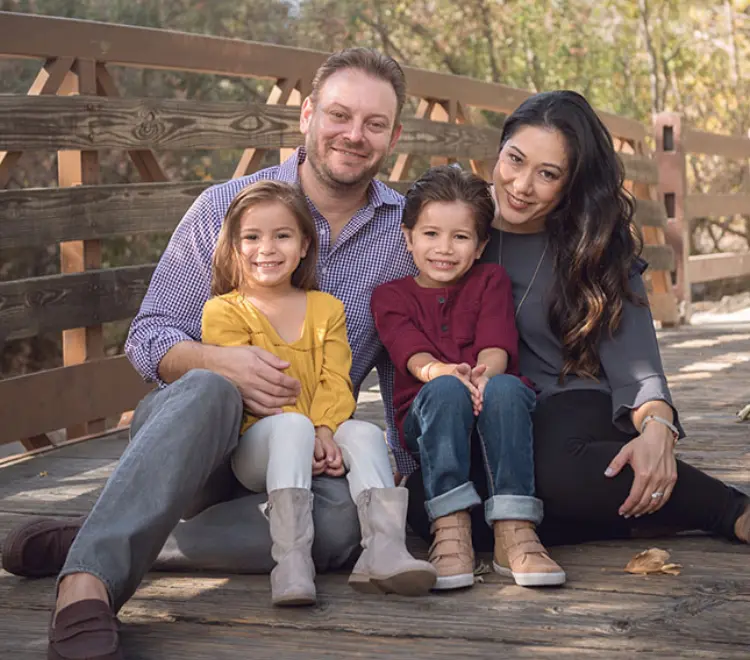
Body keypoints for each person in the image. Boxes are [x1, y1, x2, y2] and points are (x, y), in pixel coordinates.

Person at [1, 48, 421, 660]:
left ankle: (117, 535)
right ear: (306, 115)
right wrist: (218, 363)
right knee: (208, 388)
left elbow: (406, 364)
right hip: (196, 445)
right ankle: (87, 584)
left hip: (302, 462)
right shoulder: (224, 208)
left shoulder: (404, 235)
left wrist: (421, 481)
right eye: (339, 114)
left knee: (342, 528)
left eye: (374, 123)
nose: (354, 135)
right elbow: (149, 337)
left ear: (395, 135)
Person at [403, 91, 750, 552]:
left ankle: (729, 509)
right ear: (499, 150)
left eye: (547, 174)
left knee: (551, 466)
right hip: (490, 415)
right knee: (420, 503)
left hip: (572, 407)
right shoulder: (453, 225)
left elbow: (638, 367)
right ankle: (620, 519)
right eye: (515, 160)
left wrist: (657, 428)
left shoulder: (594, 245)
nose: (522, 185)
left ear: (571, 184)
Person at [202, 179, 434, 606]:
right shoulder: (223, 312)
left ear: (305, 245)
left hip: (318, 437)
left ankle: (384, 550)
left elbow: (336, 378)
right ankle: (291, 561)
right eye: (251, 237)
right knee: (290, 424)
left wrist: (326, 430)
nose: (266, 249)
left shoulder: (326, 308)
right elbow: (258, 390)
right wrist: (310, 432)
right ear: (234, 247)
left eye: (282, 236)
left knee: (363, 433)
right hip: (256, 446)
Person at [371, 166, 566, 590]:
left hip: (492, 398)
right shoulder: (390, 295)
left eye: (460, 237)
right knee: (442, 389)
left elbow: (496, 346)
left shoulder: (490, 280)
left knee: (507, 386)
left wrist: (481, 377)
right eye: (430, 234)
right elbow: (410, 353)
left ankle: (515, 532)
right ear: (408, 238)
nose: (444, 249)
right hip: (427, 413)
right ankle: (450, 528)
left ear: (480, 246)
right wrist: (444, 373)